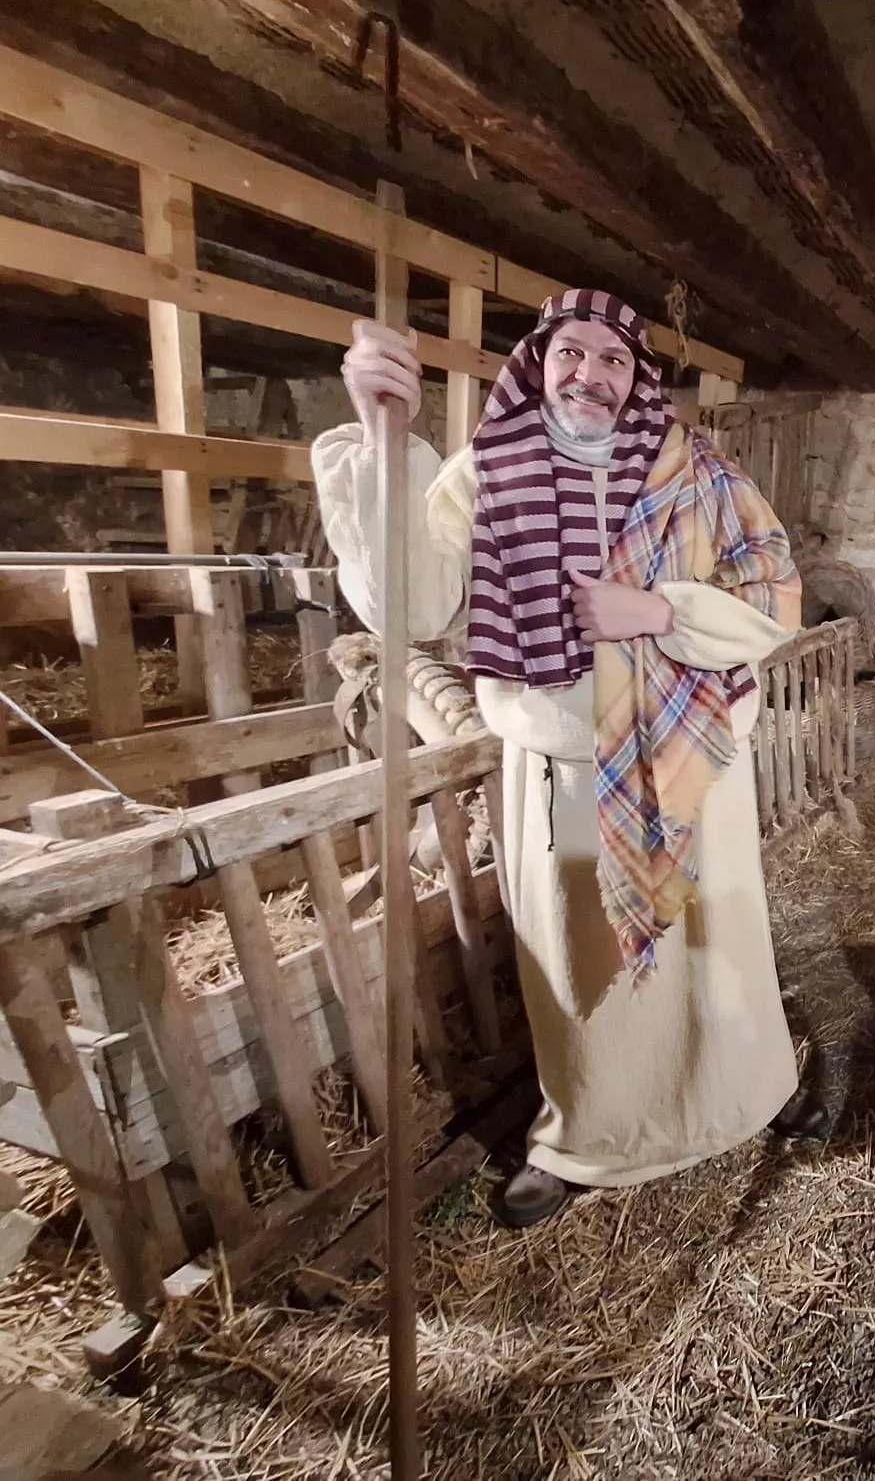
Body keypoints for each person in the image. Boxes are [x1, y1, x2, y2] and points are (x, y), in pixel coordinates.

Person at [315, 288, 817, 1229]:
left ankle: (748, 1094)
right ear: (539, 365)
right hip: (567, 764)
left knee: (719, 943)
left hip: (690, 751)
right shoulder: (486, 471)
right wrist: (385, 441)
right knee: (584, 963)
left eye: (614, 360)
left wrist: (660, 612)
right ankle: (590, 1132)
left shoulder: (699, 472)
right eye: (570, 355)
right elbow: (412, 609)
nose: (591, 374)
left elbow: (776, 595)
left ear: (637, 384)